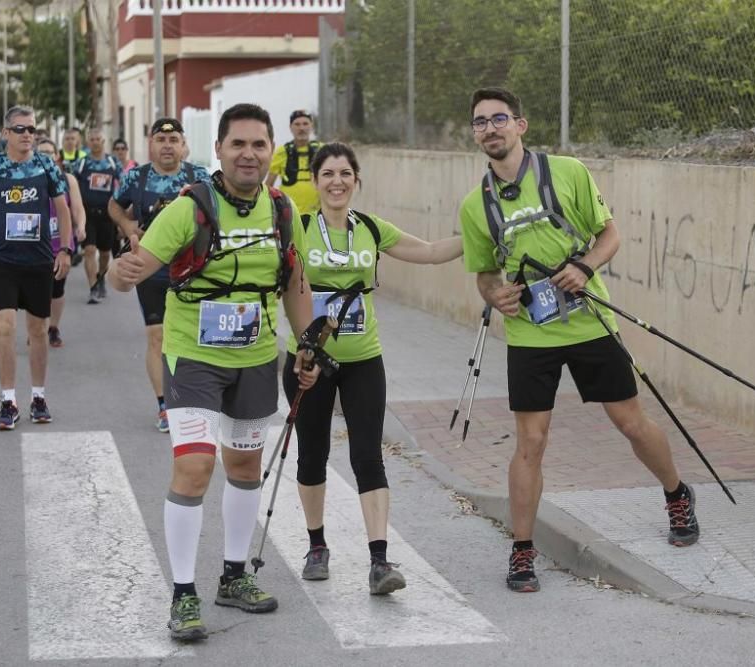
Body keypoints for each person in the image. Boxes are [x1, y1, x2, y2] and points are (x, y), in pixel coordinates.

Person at [458, 87, 700, 594]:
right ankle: (522, 552)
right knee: (531, 441)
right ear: (475, 134)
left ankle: (677, 493)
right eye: (480, 123)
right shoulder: (474, 205)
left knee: (630, 422)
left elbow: (609, 235)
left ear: (521, 125)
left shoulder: (567, 172)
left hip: (589, 321)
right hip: (530, 335)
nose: (490, 129)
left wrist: (584, 267)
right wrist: (496, 295)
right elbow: (483, 274)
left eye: (499, 118)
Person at [108, 103, 319, 643]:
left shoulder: (281, 209)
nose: (249, 153)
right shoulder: (191, 206)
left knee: (246, 468)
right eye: (238, 144)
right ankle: (182, 595)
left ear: (271, 151)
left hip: (254, 356)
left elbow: (294, 281)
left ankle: (233, 577)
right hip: (193, 355)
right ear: (219, 151)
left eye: (258, 144)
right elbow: (137, 267)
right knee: (196, 467)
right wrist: (121, 272)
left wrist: (307, 344)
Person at [282, 141, 463, 594]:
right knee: (312, 452)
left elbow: (429, 251)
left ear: (357, 181)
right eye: (328, 174)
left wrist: (480, 237)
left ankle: (380, 561)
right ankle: (317, 545)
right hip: (309, 358)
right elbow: (278, 287)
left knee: (368, 454)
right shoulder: (299, 228)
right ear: (316, 181)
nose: (337, 181)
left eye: (345, 173)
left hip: (363, 357)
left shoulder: (370, 228)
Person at [0, 105, 72, 430]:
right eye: (20, 129)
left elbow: (62, 211)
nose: (27, 135)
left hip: (38, 260)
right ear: (6, 133)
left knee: (37, 331)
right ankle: (8, 400)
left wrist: (63, 249)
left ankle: (38, 396)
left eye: (31, 130)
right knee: (5, 327)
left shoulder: (46, 165)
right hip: (3, 260)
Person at [108, 118, 209, 433]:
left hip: (193, 271)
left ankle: (195, 396)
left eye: (174, 139)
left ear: (182, 144)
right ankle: (165, 405)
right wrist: (126, 226)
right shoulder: (136, 178)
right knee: (157, 336)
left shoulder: (199, 178)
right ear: (152, 144)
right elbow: (114, 205)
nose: (167, 145)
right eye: (161, 140)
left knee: (193, 338)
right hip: (150, 269)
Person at [36, 138, 87, 347]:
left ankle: (53, 327)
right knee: (38, 289)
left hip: (61, 243)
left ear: (57, 156)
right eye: (41, 152)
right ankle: (37, 328)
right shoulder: (27, 178)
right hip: (35, 244)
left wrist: (80, 225)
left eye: (49, 152)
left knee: (57, 288)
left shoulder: (67, 180)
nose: (46, 156)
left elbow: (77, 208)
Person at [71, 128, 121, 303]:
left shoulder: (112, 163)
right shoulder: (82, 163)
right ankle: (93, 287)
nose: (95, 142)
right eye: (92, 139)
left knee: (105, 252)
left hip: (107, 214)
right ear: (87, 141)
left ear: (103, 141)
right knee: (89, 250)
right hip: (88, 214)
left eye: (98, 139)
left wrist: (122, 214)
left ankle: (101, 278)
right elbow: (72, 185)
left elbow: (123, 185)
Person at [265, 109, 320, 216]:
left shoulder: (321, 150)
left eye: (305, 124)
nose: (301, 128)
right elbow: (269, 184)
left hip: (316, 213)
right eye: (297, 124)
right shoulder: (282, 152)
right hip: (289, 213)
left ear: (311, 126)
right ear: (291, 127)